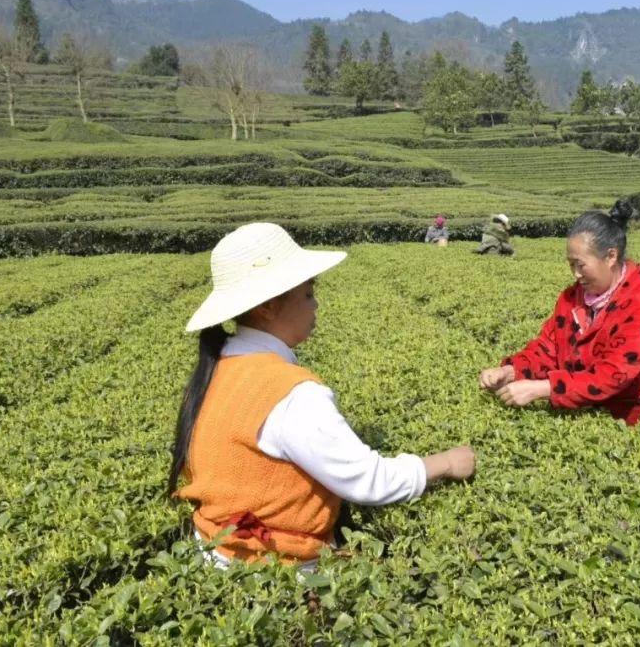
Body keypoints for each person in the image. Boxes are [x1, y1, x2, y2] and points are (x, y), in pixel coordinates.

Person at [169, 223, 475, 570]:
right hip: (273, 571)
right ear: (269, 306)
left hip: (215, 550)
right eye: (309, 293)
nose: (316, 305)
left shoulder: (221, 366)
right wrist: (447, 463)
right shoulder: (292, 393)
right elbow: (369, 481)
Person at [478, 200, 640, 425]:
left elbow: (611, 375)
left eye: (580, 264)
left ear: (610, 256)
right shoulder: (571, 298)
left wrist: (543, 388)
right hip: (589, 406)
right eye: (570, 265)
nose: (575, 274)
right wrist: (512, 371)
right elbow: (549, 348)